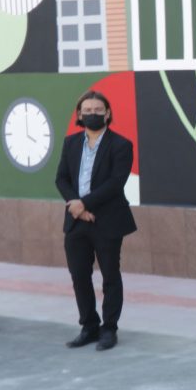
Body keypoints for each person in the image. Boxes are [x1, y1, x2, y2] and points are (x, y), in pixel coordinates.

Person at [55, 90, 137, 351]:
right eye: (87, 110)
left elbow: (115, 183)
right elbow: (61, 179)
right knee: (79, 275)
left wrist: (85, 204)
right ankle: (89, 326)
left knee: (110, 276)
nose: (92, 114)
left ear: (107, 113)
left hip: (107, 220)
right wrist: (77, 207)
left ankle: (109, 328)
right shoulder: (70, 143)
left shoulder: (121, 145)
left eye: (98, 110)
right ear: (79, 114)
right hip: (76, 221)